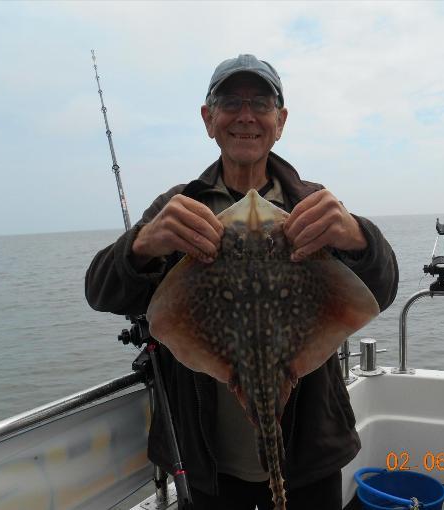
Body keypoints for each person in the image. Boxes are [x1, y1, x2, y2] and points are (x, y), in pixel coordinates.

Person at [85, 54, 398, 510]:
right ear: (208, 120)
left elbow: (382, 288)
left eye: (262, 102)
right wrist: (143, 244)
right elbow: (99, 290)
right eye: (230, 102)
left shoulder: (311, 206)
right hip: (207, 466)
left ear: (280, 120)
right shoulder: (179, 208)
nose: (246, 114)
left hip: (310, 457)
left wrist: (358, 237)